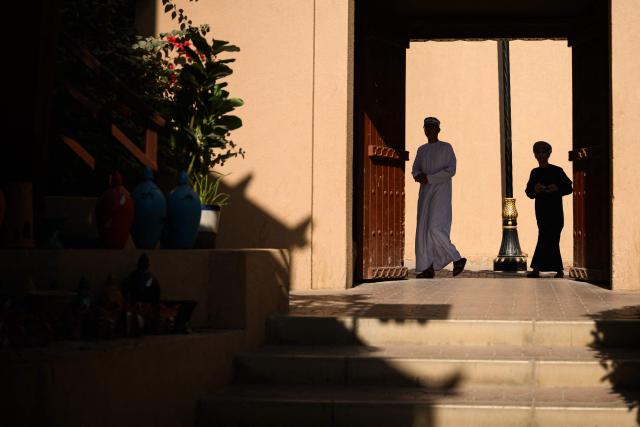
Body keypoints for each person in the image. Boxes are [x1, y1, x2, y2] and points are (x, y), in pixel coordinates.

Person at [412, 116, 466, 278]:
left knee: (435, 227)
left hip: (441, 193)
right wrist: (419, 176)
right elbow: (415, 169)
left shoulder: (446, 148)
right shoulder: (422, 150)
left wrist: (430, 178)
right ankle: (428, 267)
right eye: (426, 128)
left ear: (438, 129)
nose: (429, 130)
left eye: (432, 127)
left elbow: (451, 170)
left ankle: (457, 258)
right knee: (424, 229)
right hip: (425, 194)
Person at [525, 141, 573, 278]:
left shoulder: (557, 171)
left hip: (556, 212)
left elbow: (569, 188)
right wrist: (535, 189)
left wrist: (557, 188)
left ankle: (543, 269)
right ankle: (551, 269)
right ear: (534, 154)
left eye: (544, 152)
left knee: (552, 238)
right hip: (542, 212)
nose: (541, 155)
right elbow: (529, 192)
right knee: (544, 237)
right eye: (538, 152)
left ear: (549, 153)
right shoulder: (534, 173)